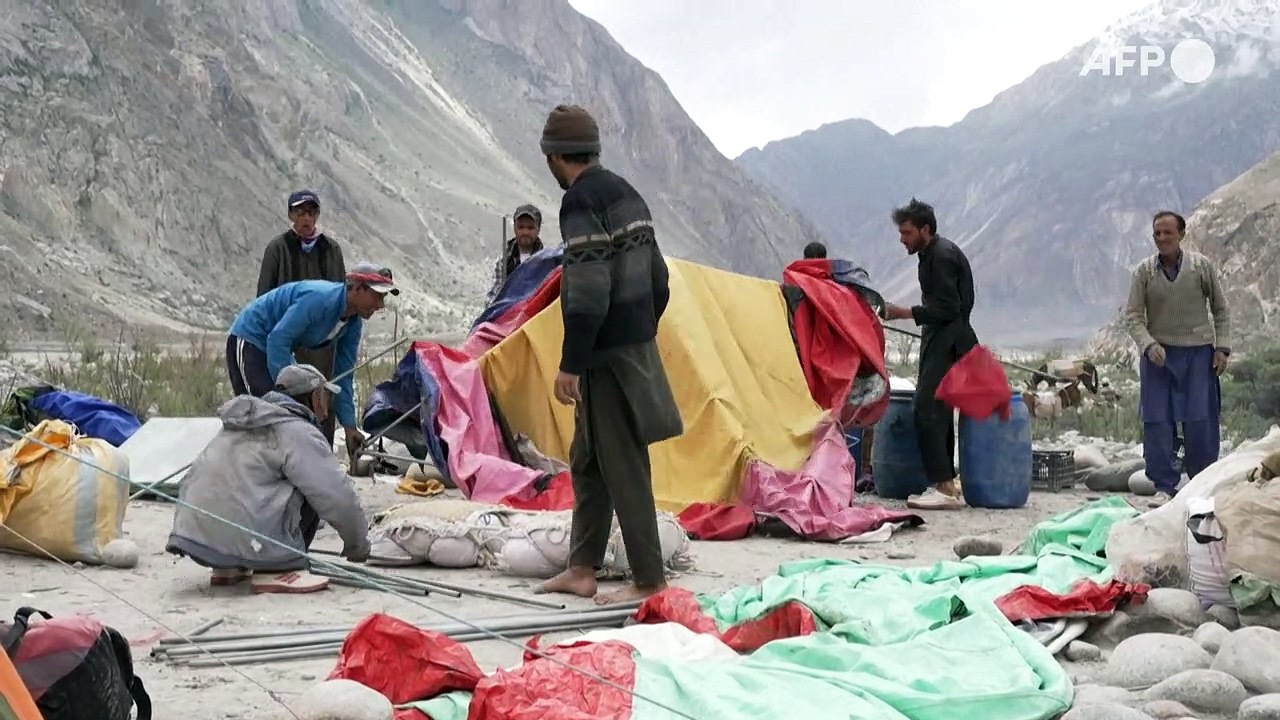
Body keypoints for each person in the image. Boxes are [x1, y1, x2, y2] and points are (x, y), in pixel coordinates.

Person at [534, 104, 683, 605]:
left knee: (623, 462)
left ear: (555, 155)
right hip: (627, 345)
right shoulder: (627, 193)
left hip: (604, 355)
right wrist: (640, 327)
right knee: (589, 459)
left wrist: (571, 361)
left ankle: (648, 581)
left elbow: (589, 290)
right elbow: (659, 280)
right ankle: (582, 567)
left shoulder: (579, 202)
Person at [166, 364, 372, 593]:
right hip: (250, 543)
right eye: (325, 396)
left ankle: (229, 569)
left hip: (193, 537)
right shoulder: (297, 430)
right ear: (315, 397)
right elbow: (337, 496)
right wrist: (358, 546)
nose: (326, 407)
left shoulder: (238, 423)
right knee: (312, 487)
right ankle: (276, 569)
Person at [226, 262, 397, 455]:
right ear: (357, 288)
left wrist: (349, 426)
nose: (380, 305)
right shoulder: (319, 299)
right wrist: (287, 396)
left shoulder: (353, 324)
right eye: (377, 296)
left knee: (284, 417)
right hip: (251, 338)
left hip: (275, 345)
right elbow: (278, 339)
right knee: (260, 412)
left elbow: (344, 375)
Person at [1123, 210, 1231, 507]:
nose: (1161, 238)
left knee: (1200, 420)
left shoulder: (1201, 267)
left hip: (1198, 353)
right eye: (1157, 233)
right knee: (1157, 421)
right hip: (1159, 358)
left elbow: (1221, 309)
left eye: (1167, 233)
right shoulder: (1144, 272)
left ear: (1181, 234)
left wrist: (1222, 348)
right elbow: (1132, 316)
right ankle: (1164, 487)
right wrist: (1147, 344)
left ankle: (1200, 485)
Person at [882, 198, 977, 511]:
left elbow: (950, 307)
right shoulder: (929, 254)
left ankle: (945, 486)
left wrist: (903, 312)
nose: (902, 239)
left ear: (925, 229)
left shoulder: (941, 256)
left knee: (925, 407)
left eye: (907, 232)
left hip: (949, 339)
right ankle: (944, 482)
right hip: (941, 337)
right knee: (938, 410)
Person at [257, 189, 348, 446]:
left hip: (321, 344)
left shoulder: (331, 250)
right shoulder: (277, 249)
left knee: (322, 399)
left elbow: (340, 297)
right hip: (286, 340)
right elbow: (264, 298)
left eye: (311, 212)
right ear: (290, 214)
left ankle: (322, 456)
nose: (306, 218)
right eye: (300, 212)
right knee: (288, 398)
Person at [485, 204, 546, 304]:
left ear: (538, 229)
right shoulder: (504, 262)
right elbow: (494, 295)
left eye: (530, 228)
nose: (525, 232)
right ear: (514, 228)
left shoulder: (546, 262)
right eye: (521, 227)